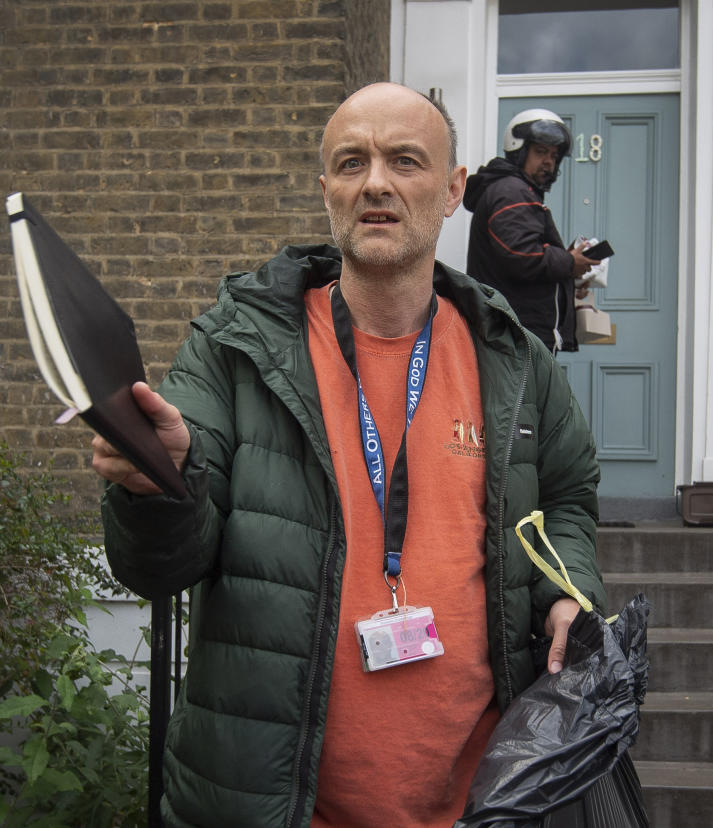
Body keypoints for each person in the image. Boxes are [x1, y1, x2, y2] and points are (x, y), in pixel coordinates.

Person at [92, 82, 604, 828]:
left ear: (455, 188)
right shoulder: (235, 349)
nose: (376, 183)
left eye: (405, 161)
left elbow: (568, 495)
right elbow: (160, 566)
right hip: (270, 807)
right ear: (325, 186)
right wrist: (160, 485)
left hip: (481, 807)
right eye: (351, 162)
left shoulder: (516, 362)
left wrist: (566, 588)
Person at [462, 108, 599, 353]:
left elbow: (521, 255)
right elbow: (522, 254)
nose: (548, 161)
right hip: (516, 336)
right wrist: (569, 262)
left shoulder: (513, 190)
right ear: (519, 149)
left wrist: (571, 275)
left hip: (515, 333)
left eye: (554, 155)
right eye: (541, 152)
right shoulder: (512, 192)